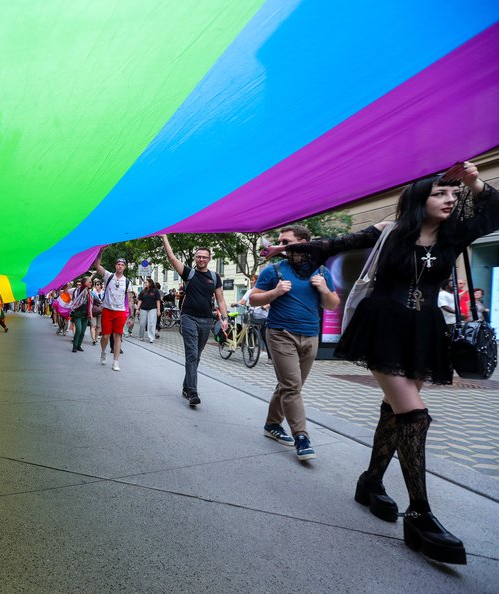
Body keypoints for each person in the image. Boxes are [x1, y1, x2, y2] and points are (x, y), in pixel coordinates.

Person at [275, 162, 497, 565]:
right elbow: (334, 244)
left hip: (425, 332)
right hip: (382, 327)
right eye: (439, 193)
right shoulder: (390, 231)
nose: (449, 200)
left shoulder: (455, 235)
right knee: (415, 416)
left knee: (396, 413)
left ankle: (371, 482)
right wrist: (288, 249)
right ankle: (420, 513)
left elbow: (495, 211)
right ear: (419, 198)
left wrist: (475, 182)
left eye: (453, 194)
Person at [249, 225, 338, 461]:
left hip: (310, 335)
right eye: (280, 242)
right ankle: (301, 437)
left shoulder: (321, 271)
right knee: (291, 386)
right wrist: (275, 292)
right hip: (281, 333)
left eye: (286, 242)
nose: (280, 246)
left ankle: (272, 424)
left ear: (305, 243)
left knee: (290, 386)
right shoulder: (275, 270)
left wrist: (324, 289)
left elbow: (332, 304)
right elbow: (254, 299)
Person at [160, 236, 228, 406]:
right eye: (199, 256)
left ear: (209, 259)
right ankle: (193, 393)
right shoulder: (188, 272)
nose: (201, 259)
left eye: (204, 256)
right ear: (196, 258)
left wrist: (225, 319)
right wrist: (164, 237)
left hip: (206, 321)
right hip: (188, 317)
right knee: (192, 354)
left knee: (196, 357)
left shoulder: (214, 277)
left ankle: (185, 386)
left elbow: (220, 300)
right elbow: (172, 258)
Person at [93, 252, 131, 371]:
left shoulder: (128, 282)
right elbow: (97, 265)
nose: (120, 266)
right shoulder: (108, 276)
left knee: (117, 336)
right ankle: (103, 352)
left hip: (120, 312)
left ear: (124, 267)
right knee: (105, 336)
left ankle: (116, 361)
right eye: (118, 264)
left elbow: (129, 300)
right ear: (115, 266)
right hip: (108, 311)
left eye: (122, 264)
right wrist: (101, 251)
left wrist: (131, 316)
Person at [69, 277, 93, 352]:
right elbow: (85, 285)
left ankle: (79, 345)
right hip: (78, 314)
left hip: (85, 315)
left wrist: (91, 314)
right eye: (89, 282)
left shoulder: (90, 293)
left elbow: (91, 305)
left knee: (82, 332)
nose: (91, 283)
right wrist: (92, 275)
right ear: (84, 283)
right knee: (78, 330)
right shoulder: (81, 290)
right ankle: (74, 346)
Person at [136, 278, 162, 343]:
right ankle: (141, 336)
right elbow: (140, 300)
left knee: (151, 323)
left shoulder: (155, 291)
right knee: (142, 323)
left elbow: (158, 301)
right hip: (143, 308)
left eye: (146, 282)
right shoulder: (143, 291)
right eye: (145, 282)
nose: (145, 283)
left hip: (152, 308)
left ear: (150, 283)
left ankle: (151, 337)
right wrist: (137, 309)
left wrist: (158, 310)